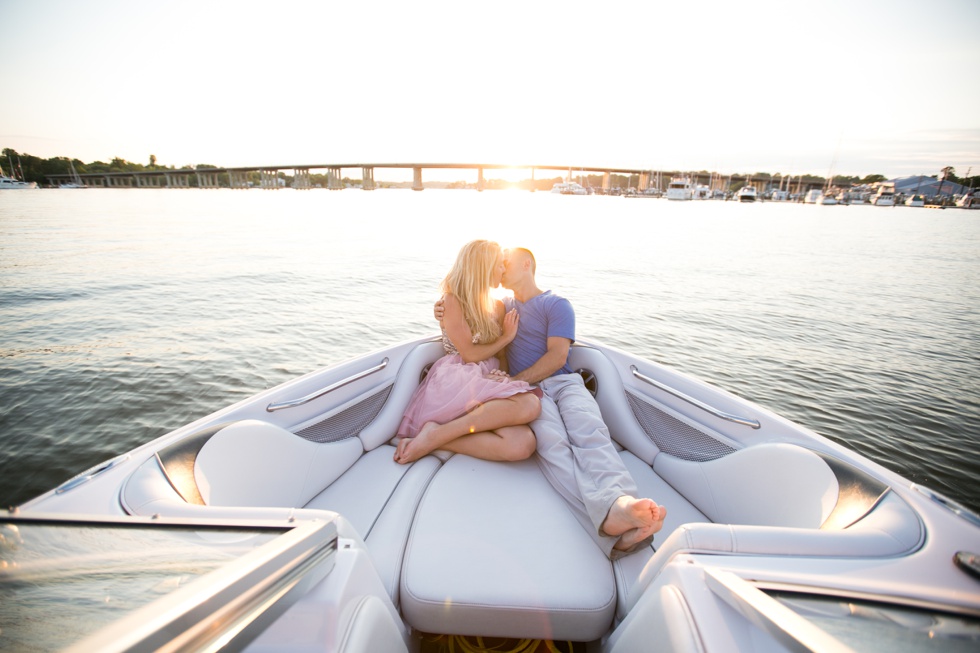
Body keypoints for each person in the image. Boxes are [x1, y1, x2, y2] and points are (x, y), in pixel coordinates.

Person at [435, 247, 666, 559]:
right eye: (498, 263)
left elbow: (558, 357)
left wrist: (517, 380)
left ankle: (621, 502)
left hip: (563, 382)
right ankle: (613, 522)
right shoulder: (501, 307)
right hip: (528, 391)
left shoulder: (556, 304)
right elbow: (465, 306)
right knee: (554, 446)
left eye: (507, 261)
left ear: (527, 263)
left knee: (591, 434)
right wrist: (439, 308)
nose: (500, 267)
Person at [394, 240, 542, 465]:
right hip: (458, 378)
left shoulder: (499, 306)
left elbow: (502, 356)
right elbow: (469, 354)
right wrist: (505, 338)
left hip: (486, 379)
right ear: (483, 266)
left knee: (522, 444)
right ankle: (434, 434)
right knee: (531, 404)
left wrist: (501, 375)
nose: (503, 270)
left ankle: (436, 436)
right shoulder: (452, 301)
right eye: (499, 264)